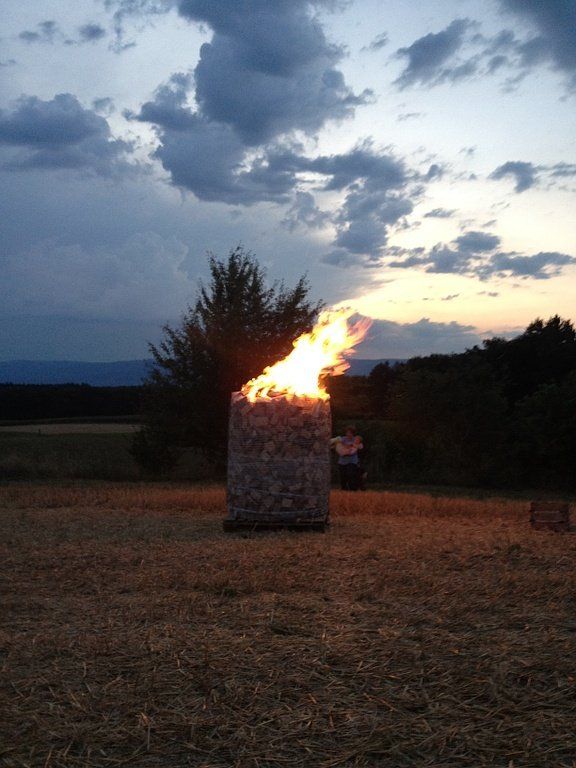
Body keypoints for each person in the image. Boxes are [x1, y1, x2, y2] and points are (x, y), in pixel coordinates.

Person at [331, 426, 363, 491]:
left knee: (351, 475)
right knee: (343, 476)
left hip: (352, 461)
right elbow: (337, 443)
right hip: (342, 461)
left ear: (353, 434)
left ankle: (352, 489)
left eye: (350, 433)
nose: (348, 434)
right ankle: (344, 489)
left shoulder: (356, 439)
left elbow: (360, 446)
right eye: (347, 433)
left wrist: (352, 445)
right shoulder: (343, 439)